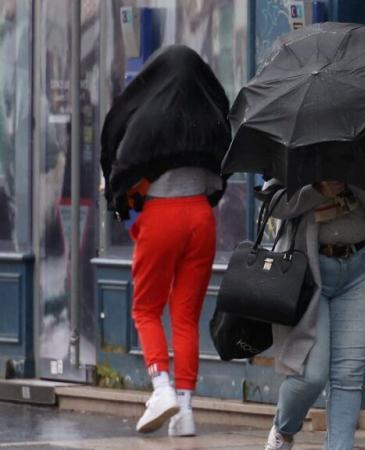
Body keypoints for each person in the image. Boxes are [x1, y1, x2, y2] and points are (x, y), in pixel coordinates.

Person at [100, 45, 231, 437]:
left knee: (146, 309)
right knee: (187, 315)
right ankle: (186, 411)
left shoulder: (147, 122)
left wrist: (124, 207)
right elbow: (217, 181)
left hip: (161, 217)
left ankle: (161, 387)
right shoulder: (207, 120)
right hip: (201, 220)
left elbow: (121, 166)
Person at [262, 162, 365, 450]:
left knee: (348, 376)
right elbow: (275, 204)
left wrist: (354, 178)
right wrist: (318, 190)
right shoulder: (296, 139)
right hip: (308, 271)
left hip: (361, 269)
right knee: (311, 376)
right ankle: (284, 429)